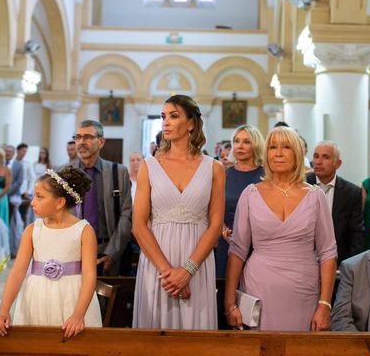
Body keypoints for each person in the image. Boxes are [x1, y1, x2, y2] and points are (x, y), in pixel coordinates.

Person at [224, 126, 337, 331]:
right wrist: (230, 303)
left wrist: (324, 305)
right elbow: (237, 250)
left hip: (304, 290)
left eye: (286, 147)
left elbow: (328, 252)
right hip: (258, 286)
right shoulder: (250, 194)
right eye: (272, 147)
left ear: (297, 153)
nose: (278, 153)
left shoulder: (315, 196)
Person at [132, 94, 225, 329]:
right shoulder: (149, 166)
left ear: (191, 123)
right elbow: (139, 225)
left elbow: (215, 225)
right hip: (157, 265)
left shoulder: (214, 168)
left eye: (173, 116)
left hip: (198, 263)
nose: (165, 122)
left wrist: (188, 270)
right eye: (164, 116)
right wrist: (169, 273)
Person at [0, 165, 102, 336]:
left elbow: (90, 275)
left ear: (60, 203)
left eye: (39, 197)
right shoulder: (32, 230)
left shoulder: (84, 231)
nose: (32, 202)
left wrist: (78, 314)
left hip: (72, 298)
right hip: (37, 297)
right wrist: (3, 310)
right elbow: (18, 272)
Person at [74, 120, 132, 276]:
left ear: (101, 142)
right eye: (78, 137)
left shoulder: (118, 172)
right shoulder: (65, 175)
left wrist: (112, 253)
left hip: (109, 248)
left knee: (108, 299)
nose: (81, 142)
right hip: (74, 251)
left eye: (87, 137)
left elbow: (126, 214)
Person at [216, 125, 265, 279]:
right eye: (236, 141)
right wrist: (224, 231)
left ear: (256, 145)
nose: (240, 146)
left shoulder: (266, 176)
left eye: (246, 141)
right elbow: (213, 210)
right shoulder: (224, 174)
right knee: (224, 291)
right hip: (227, 241)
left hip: (258, 244)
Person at [307, 141, 364, 263]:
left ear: (337, 164)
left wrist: (351, 267)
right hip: (304, 261)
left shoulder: (352, 193)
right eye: (316, 156)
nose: (318, 162)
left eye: (325, 157)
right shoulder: (301, 186)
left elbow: (356, 234)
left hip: (338, 264)